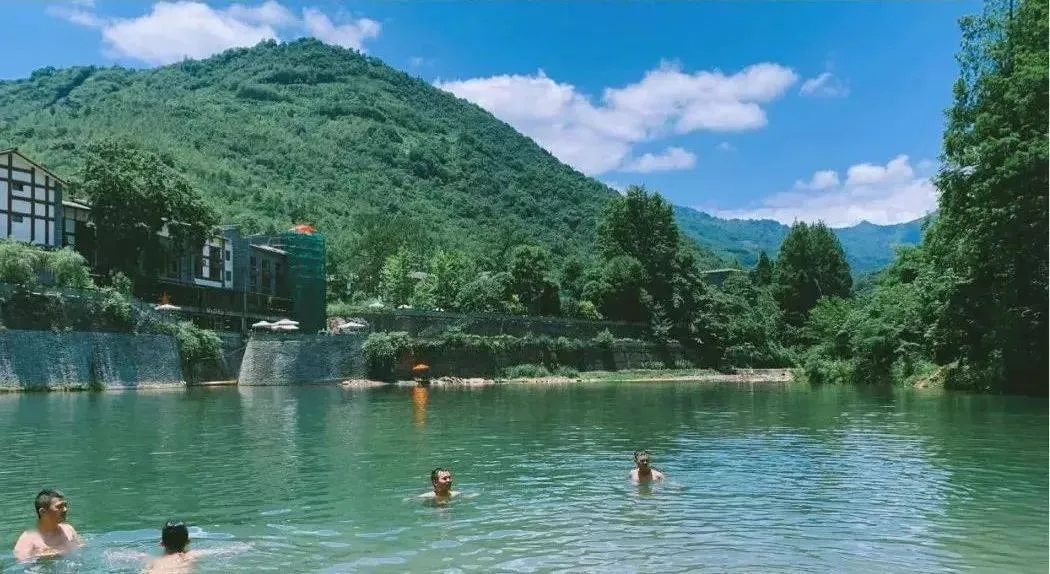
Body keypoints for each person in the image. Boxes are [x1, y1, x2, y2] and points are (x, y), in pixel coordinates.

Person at [12, 489, 84, 561]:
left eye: (65, 505)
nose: (65, 509)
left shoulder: (68, 530)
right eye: (59, 506)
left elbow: (82, 549)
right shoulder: (27, 538)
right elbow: (21, 562)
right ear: (43, 512)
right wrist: (41, 557)